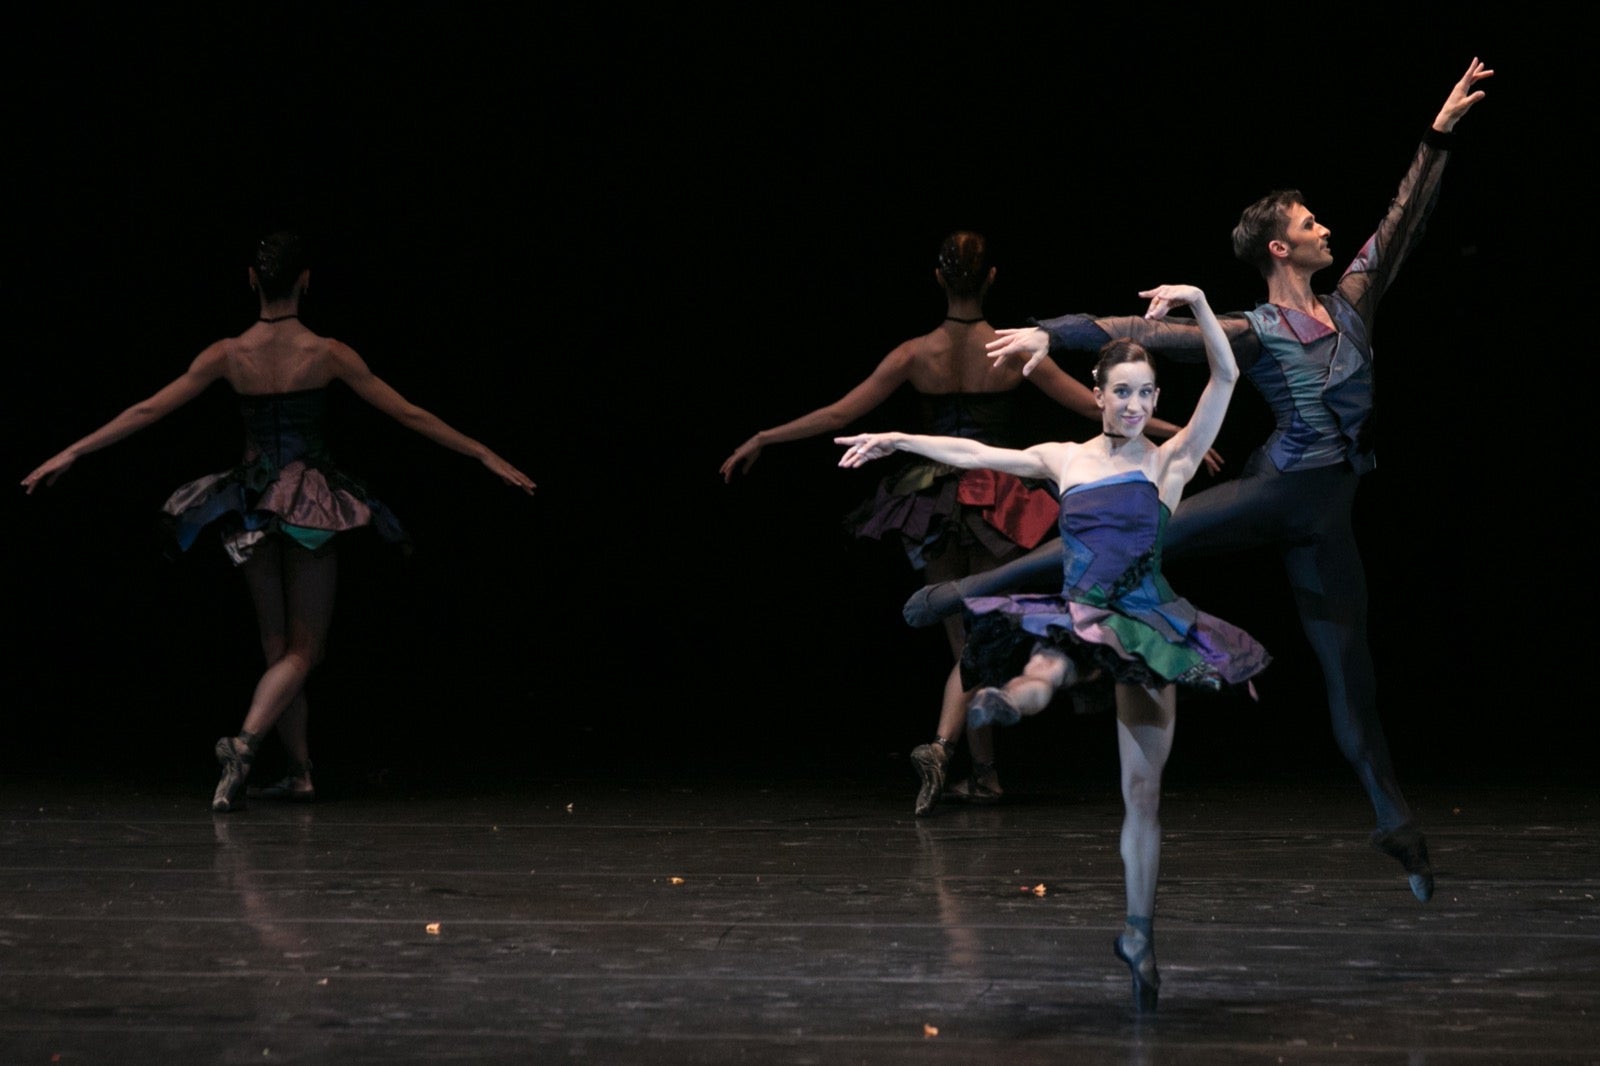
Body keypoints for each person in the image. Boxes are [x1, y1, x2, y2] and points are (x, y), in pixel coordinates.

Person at [898, 58, 1493, 902]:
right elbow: (1145, 330)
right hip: (1278, 488)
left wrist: (1437, 133)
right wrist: (1050, 330)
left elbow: (1405, 220)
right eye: (1312, 222)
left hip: (1328, 518)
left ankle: (1395, 824)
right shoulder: (1252, 328)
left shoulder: (1355, 298)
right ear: (1281, 247)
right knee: (1135, 539)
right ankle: (966, 594)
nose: (1331, 231)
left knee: (1349, 676)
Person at [839, 284, 1266, 1014]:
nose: (1133, 406)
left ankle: (1138, 933)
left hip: (1148, 625)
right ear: (1096, 395)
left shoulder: (1171, 461)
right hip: (1081, 613)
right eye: (1120, 393)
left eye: (1144, 394)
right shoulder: (1065, 457)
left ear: (1155, 396)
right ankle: (1009, 702)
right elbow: (977, 450)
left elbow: (1226, 377)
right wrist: (901, 439)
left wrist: (1197, 302)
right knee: (1052, 655)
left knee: (1142, 794)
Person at [21, 231, 536, 812]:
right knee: (305, 651)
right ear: (306, 281)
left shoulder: (227, 354)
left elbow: (146, 409)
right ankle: (244, 745)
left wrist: (73, 451)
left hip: (249, 504)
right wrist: (483, 453)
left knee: (278, 651)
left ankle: (299, 773)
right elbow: (408, 412)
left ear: (251, 280)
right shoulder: (326, 353)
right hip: (311, 503)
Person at [721, 231, 1210, 816]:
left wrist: (764, 436)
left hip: (931, 498)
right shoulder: (1006, 348)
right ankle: (976, 766)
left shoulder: (915, 352)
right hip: (992, 497)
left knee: (962, 635)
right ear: (992, 278)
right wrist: (1176, 436)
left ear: (938, 279)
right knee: (978, 635)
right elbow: (1091, 402)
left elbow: (841, 414)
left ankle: (963, 757)